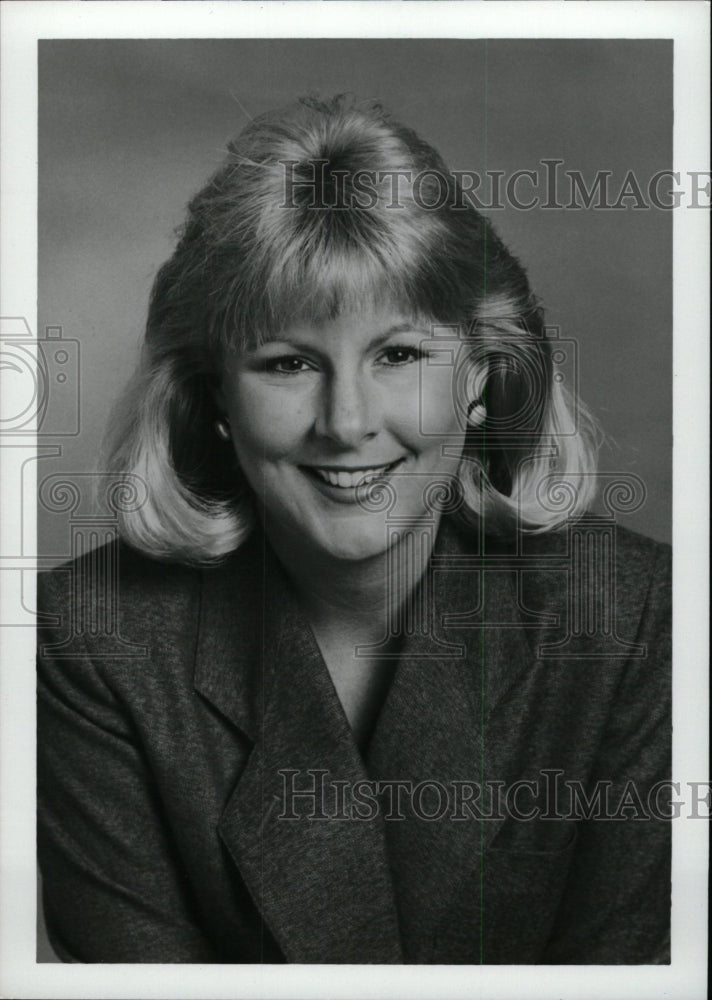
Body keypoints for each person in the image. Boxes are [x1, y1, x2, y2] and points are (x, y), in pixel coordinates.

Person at [37, 94, 671, 964]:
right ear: (214, 392)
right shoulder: (84, 643)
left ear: (484, 372)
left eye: (400, 355)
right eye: (288, 363)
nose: (346, 421)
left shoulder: (641, 621)